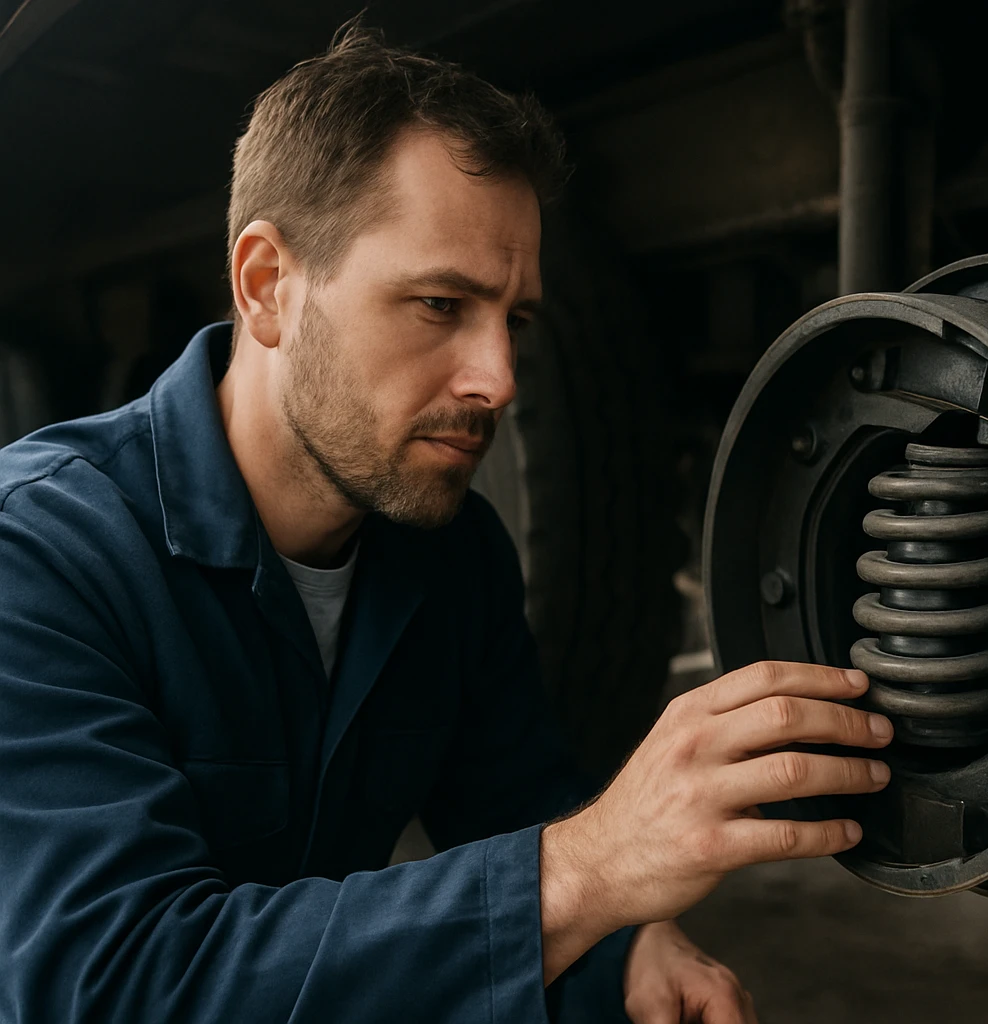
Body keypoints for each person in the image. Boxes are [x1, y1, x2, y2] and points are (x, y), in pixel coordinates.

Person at [0, 24, 894, 1024]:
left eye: (514, 319)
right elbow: (114, 982)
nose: (500, 380)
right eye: (439, 303)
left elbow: (512, 811)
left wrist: (629, 949)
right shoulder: (38, 554)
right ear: (266, 287)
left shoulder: (453, 555)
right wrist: (589, 867)